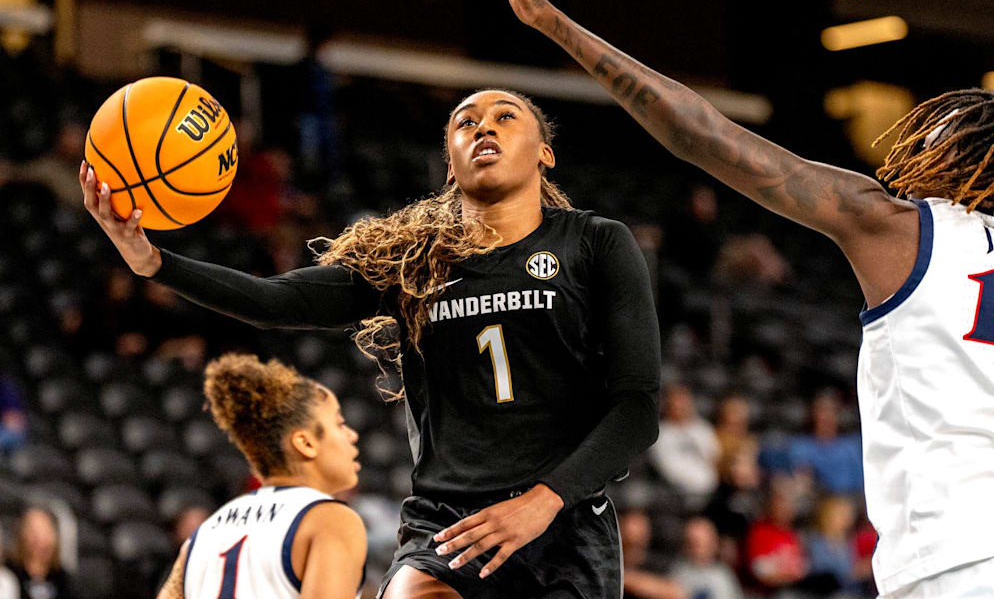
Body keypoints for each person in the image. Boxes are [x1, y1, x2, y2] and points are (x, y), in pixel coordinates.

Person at [502, 0, 994, 597]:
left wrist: (556, 25)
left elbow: (702, 132)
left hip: (963, 555)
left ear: (967, 155)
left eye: (940, 134)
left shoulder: (902, 229)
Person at [81, 86, 661, 597]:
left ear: (545, 153)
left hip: (564, 523)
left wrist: (544, 500)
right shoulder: (413, 261)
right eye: (465, 122)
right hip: (449, 520)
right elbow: (275, 301)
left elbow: (636, 408)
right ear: (451, 166)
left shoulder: (596, 244)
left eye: (505, 117)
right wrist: (152, 260)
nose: (483, 126)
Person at [155, 353, 367, 599]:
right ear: (305, 442)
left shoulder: (202, 534)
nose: (352, 435)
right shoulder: (331, 520)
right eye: (339, 424)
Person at [787, 390, 862, 495]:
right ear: (813, 415)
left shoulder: (850, 447)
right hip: (818, 500)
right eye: (822, 411)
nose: (827, 417)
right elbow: (803, 479)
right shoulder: (801, 446)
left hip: (851, 500)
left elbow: (860, 482)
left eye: (831, 411)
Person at [8, 507, 70, 599]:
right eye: (33, 532)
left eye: (45, 532)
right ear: (22, 535)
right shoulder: (9, 574)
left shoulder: (61, 577)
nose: (40, 539)